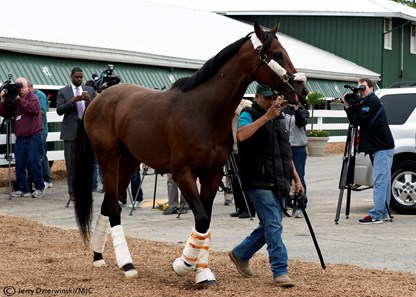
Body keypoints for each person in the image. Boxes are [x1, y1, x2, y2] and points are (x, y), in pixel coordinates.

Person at [228, 84, 304, 287]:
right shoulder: (249, 113)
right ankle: (280, 270)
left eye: (274, 98)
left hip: (279, 180)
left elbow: (285, 153)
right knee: (274, 224)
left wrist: (297, 179)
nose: (272, 102)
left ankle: (240, 254)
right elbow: (241, 135)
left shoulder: (278, 118)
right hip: (258, 180)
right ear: (258, 96)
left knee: (270, 225)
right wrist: (266, 117)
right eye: (268, 98)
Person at [342, 77, 395, 224]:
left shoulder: (372, 101)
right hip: (379, 146)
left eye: (363, 87)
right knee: (384, 181)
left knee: (380, 181)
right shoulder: (366, 102)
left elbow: (359, 121)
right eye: (360, 88)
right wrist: (350, 106)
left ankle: (377, 214)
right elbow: (357, 118)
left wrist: (349, 108)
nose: (361, 91)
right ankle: (383, 212)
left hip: (382, 147)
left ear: (372, 88)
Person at [0, 77, 45, 198]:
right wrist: (3, 100)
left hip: (33, 136)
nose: (19, 91)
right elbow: (5, 113)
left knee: (33, 161)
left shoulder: (33, 97)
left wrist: (19, 99)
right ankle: (23, 188)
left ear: (26, 87)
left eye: (21, 88)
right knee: (19, 163)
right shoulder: (15, 101)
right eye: (18, 88)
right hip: (20, 137)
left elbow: (34, 109)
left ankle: (40, 187)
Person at [56, 67, 95, 201]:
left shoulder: (90, 90)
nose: (79, 79)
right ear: (71, 76)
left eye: (81, 77)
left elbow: (97, 108)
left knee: (86, 162)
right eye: (76, 77)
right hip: (70, 131)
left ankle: (85, 191)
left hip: (86, 131)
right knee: (71, 163)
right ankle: (72, 192)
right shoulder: (63, 91)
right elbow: (59, 110)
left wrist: (89, 101)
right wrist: (73, 101)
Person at [282, 97, 310, 218]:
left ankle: (300, 206)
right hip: (284, 147)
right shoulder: (282, 110)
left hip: (298, 148)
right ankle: (284, 204)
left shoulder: (303, 111)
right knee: (284, 177)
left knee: (299, 177)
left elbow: (301, 122)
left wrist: (297, 109)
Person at [228, 98, 256, 219]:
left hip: (244, 146)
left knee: (243, 179)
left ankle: (249, 208)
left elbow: (244, 113)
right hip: (232, 145)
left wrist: (234, 104)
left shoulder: (246, 103)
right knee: (234, 180)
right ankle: (239, 207)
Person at [28, 81, 53, 189]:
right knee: (35, 156)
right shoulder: (30, 96)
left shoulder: (40, 95)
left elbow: (42, 110)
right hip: (33, 130)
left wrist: (28, 109)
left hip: (41, 130)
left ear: (30, 87)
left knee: (41, 155)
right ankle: (38, 178)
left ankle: (47, 179)